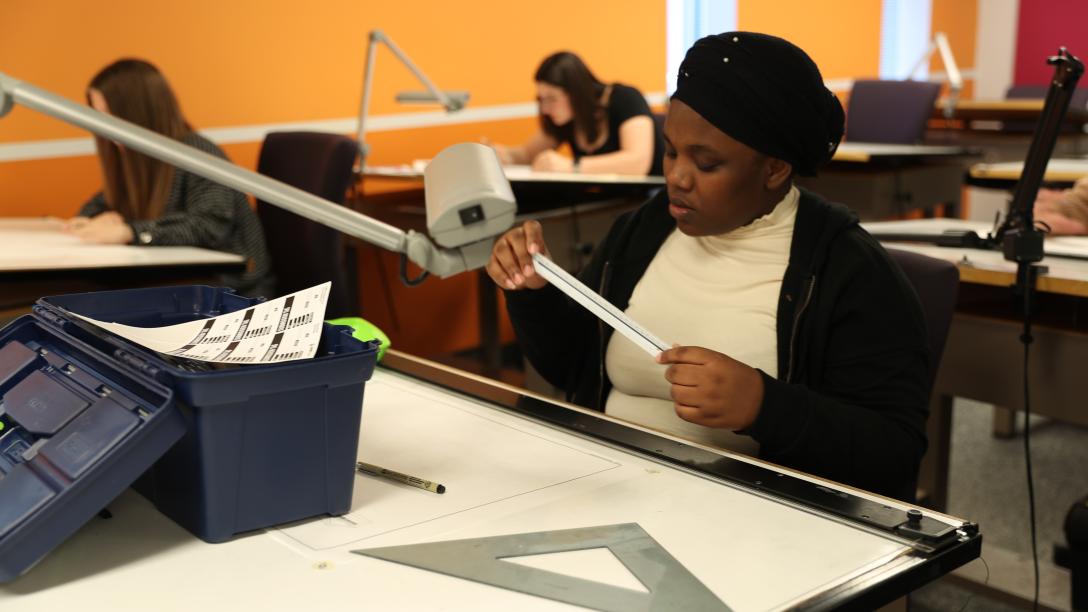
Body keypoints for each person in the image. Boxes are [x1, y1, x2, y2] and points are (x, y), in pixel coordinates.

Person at [487, 33, 930, 501]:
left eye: (707, 162)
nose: (676, 177)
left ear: (774, 170)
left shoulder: (848, 270)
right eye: (671, 150)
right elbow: (574, 367)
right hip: (607, 486)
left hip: (753, 523)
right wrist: (534, 292)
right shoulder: (644, 230)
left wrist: (764, 406)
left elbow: (894, 454)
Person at [66, 59, 273, 297]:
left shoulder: (196, 153)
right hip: (182, 283)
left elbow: (210, 226)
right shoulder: (135, 158)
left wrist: (130, 232)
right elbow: (103, 200)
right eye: (97, 115)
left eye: (109, 115)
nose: (103, 127)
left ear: (137, 112)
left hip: (231, 291)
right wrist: (91, 218)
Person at [489, 51, 664, 176]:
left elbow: (637, 162)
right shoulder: (565, 119)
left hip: (650, 197)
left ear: (576, 93)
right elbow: (528, 154)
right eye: (541, 99)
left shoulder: (625, 98)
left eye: (552, 99)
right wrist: (503, 155)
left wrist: (571, 166)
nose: (545, 109)